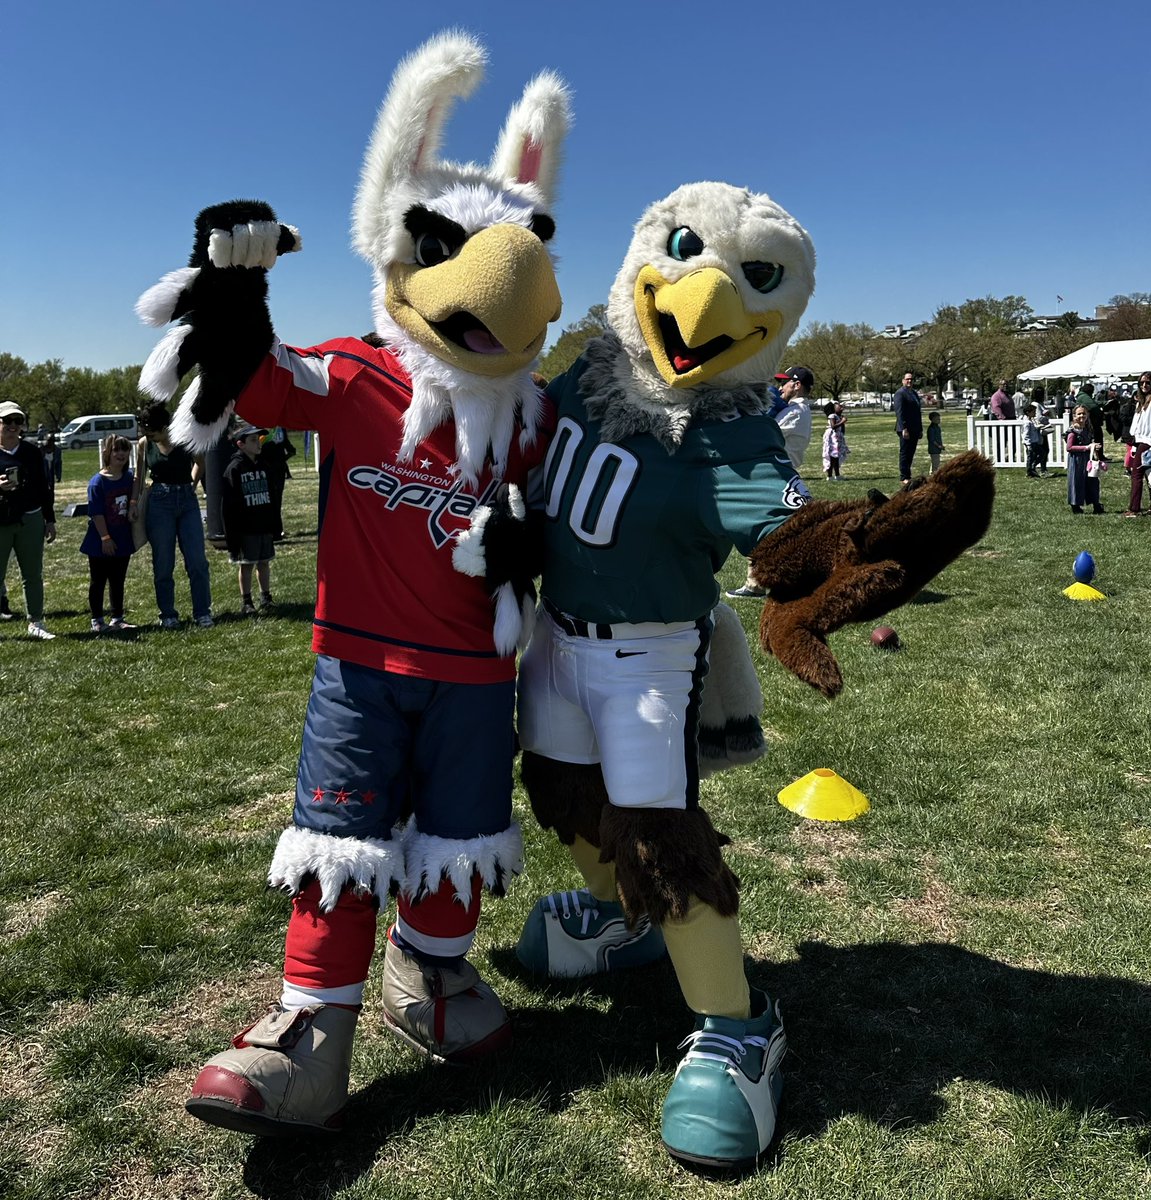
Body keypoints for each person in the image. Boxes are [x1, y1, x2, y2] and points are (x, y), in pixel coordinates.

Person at [726, 365, 814, 598]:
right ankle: (764, 581)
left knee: (758, 526)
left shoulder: (796, 411)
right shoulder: (794, 408)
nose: (779, 387)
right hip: (778, 472)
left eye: (784, 382)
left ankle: (756, 583)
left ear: (796, 385)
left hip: (776, 473)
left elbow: (762, 430)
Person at [132, 402, 213, 629]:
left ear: (165, 426)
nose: (149, 435)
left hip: (186, 500)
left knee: (197, 560)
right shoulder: (143, 444)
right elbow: (139, 477)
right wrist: (133, 503)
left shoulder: (185, 439)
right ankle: (167, 614)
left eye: (153, 432)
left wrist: (192, 485)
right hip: (159, 502)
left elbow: (200, 462)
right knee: (163, 562)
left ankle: (202, 612)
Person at [0, 400, 57, 640]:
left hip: (31, 518)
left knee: (32, 574)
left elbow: (44, 487)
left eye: (18, 421)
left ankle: (36, 621)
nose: (13, 426)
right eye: (8, 421)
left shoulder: (32, 451)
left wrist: (50, 519)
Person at [80, 435, 138, 632]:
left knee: (118, 580)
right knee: (98, 581)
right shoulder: (97, 483)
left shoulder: (129, 477)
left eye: (124, 450)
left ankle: (117, 617)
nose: (120, 454)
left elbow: (136, 493)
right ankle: (97, 620)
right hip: (100, 540)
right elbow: (96, 513)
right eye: (116, 450)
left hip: (122, 537)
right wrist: (105, 538)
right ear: (107, 453)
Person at [221, 423, 277, 613]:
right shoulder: (234, 469)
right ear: (240, 444)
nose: (258, 443)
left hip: (264, 525)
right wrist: (232, 535)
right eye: (253, 440)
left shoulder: (264, 465)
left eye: (259, 439)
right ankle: (247, 601)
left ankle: (266, 597)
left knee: (264, 562)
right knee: (247, 565)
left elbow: (272, 498)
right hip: (246, 528)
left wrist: (274, 524)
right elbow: (228, 506)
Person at [258, 426, 296, 540]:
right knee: (273, 500)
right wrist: (283, 458)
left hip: (274, 469)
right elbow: (290, 449)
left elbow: (290, 449)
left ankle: (275, 531)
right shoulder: (263, 428)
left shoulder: (277, 428)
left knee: (273, 500)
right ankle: (275, 531)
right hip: (271, 469)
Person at [1121, 371, 1151, 517]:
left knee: (1136, 474)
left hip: (1148, 441)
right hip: (1139, 440)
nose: (1144, 385)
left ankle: (1134, 508)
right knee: (1147, 475)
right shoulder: (1141, 401)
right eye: (1141, 383)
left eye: (1148, 382)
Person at [1066, 405, 1104, 514]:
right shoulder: (1073, 431)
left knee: (1093, 481)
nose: (1081, 416)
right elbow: (1069, 447)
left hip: (1088, 459)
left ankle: (1096, 504)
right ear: (1074, 416)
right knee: (1077, 481)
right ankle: (1075, 505)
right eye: (1079, 414)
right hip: (1076, 461)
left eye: (1084, 413)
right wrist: (1087, 447)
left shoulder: (1088, 429)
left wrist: (1094, 449)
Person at [893, 371, 923, 485]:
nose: (909, 381)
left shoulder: (914, 394)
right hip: (905, 429)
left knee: (911, 452)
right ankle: (903, 476)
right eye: (907, 379)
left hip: (915, 428)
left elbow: (918, 413)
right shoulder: (900, 393)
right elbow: (900, 413)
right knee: (905, 453)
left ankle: (908, 475)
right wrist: (904, 428)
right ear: (903, 381)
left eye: (911, 379)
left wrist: (920, 429)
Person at [1021, 404, 1052, 479]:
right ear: (1028, 412)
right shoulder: (1027, 423)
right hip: (1030, 443)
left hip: (1035, 442)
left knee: (1042, 453)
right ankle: (1029, 472)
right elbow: (1025, 434)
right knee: (1030, 457)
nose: (1035, 413)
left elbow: (1033, 429)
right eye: (1033, 412)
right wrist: (1028, 444)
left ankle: (1033, 467)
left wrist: (1038, 427)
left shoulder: (1031, 420)